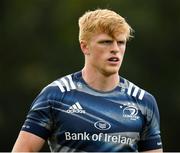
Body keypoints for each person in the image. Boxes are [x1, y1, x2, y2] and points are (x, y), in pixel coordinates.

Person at [12, 9, 163, 152]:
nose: (115, 49)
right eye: (106, 42)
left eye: (121, 42)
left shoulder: (143, 101)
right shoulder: (55, 96)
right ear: (85, 47)